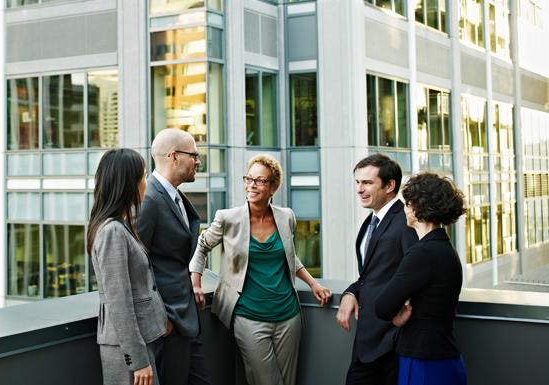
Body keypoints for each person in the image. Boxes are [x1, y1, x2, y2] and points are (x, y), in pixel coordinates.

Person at [189, 154, 332, 385]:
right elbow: (202, 246)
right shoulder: (228, 218)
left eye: (260, 181)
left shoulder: (286, 217)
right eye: (249, 179)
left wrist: (313, 283)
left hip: (288, 315)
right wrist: (195, 283)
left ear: (273, 187)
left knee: (287, 381)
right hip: (249, 317)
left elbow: (289, 256)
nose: (252, 185)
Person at [374, 173, 468, 385]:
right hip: (443, 357)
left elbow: (382, 307)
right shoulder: (445, 249)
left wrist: (398, 316)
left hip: (424, 359)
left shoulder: (422, 253)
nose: (405, 208)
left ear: (418, 208)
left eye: (407, 203)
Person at [136, 128, 212, 385]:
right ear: (174, 157)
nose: (198, 162)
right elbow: (136, 264)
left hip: (186, 318)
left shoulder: (173, 194)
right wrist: (162, 319)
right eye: (194, 155)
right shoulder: (149, 198)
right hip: (168, 324)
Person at [337, 154, 419, 385]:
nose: (359, 189)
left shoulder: (407, 221)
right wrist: (351, 292)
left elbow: (414, 276)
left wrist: (395, 332)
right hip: (367, 343)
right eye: (357, 182)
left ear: (390, 185)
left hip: (393, 344)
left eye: (367, 183)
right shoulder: (370, 221)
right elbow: (372, 274)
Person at [88, 149, 167, 385]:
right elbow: (118, 301)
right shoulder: (111, 231)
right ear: (127, 184)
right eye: (143, 177)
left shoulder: (118, 225)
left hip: (137, 342)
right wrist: (138, 360)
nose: (146, 183)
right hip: (127, 351)